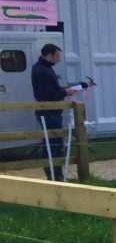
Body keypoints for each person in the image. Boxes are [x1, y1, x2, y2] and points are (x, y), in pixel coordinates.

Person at [31, 43, 79, 181]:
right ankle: (52, 175)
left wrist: (65, 89)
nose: (59, 59)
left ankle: (57, 173)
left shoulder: (45, 68)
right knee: (52, 144)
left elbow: (52, 89)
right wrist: (65, 92)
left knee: (57, 143)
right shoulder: (41, 70)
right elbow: (47, 94)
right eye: (57, 56)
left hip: (52, 112)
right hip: (48, 112)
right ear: (49, 55)